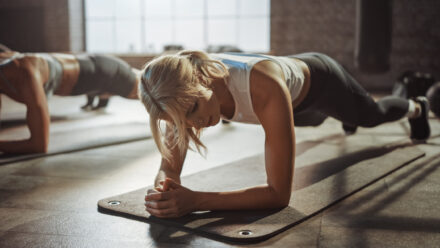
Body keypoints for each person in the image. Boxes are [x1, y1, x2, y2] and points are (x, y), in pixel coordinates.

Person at [139, 51, 430, 218]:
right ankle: (343, 118)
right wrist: (164, 191)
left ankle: (417, 107)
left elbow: (278, 195)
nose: (195, 123)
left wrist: (197, 201)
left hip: (323, 85)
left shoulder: (264, 88)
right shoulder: (179, 96)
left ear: (202, 81)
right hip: (295, 110)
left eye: (193, 109)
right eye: (182, 122)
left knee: (370, 116)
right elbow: (168, 169)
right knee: (314, 122)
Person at [0, 51, 141, 154]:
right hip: (90, 66)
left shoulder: (24, 75)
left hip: (104, 73)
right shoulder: (5, 67)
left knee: (152, 87)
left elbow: (39, 145)